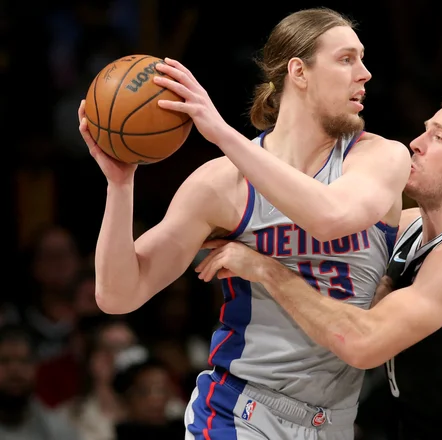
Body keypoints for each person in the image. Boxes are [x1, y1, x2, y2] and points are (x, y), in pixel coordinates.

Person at [77, 7, 410, 440]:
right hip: (240, 411)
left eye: (362, 59)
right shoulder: (223, 184)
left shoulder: (380, 157)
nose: (364, 73)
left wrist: (219, 132)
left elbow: (331, 218)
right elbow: (118, 294)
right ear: (299, 71)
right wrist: (121, 187)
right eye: (346, 59)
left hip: (337, 421)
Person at [197, 96, 442, 440]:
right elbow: (318, 217)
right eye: (424, 131)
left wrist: (266, 270)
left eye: (438, 137)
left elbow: (362, 344)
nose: (416, 143)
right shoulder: (407, 228)